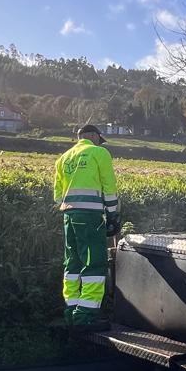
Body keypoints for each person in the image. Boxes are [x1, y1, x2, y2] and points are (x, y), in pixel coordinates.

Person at [53, 124, 119, 328]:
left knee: (72, 262)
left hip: (68, 216)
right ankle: (86, 316)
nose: (100, 142)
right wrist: (113, 215)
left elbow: (57, 196)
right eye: (99, 138)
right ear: (92, 136)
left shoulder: (63, 158)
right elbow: (109, 186)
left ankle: (72, 310)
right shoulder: (99, 153)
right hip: (90, 216)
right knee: (95, 261)